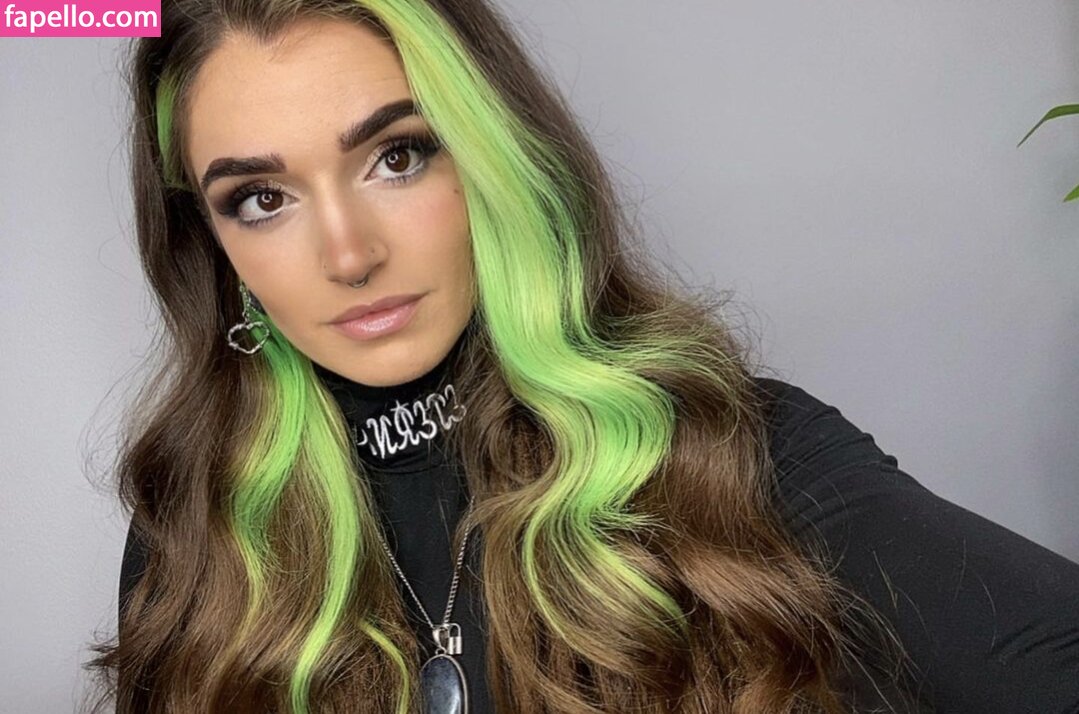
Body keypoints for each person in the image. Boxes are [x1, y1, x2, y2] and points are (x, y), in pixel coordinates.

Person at [83, 1, 1079, 712]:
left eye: (398, 155)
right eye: (261, 199)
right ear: (213, 248)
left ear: (496, 159)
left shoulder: (726, 456)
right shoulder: (200, 529)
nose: (348, 255)